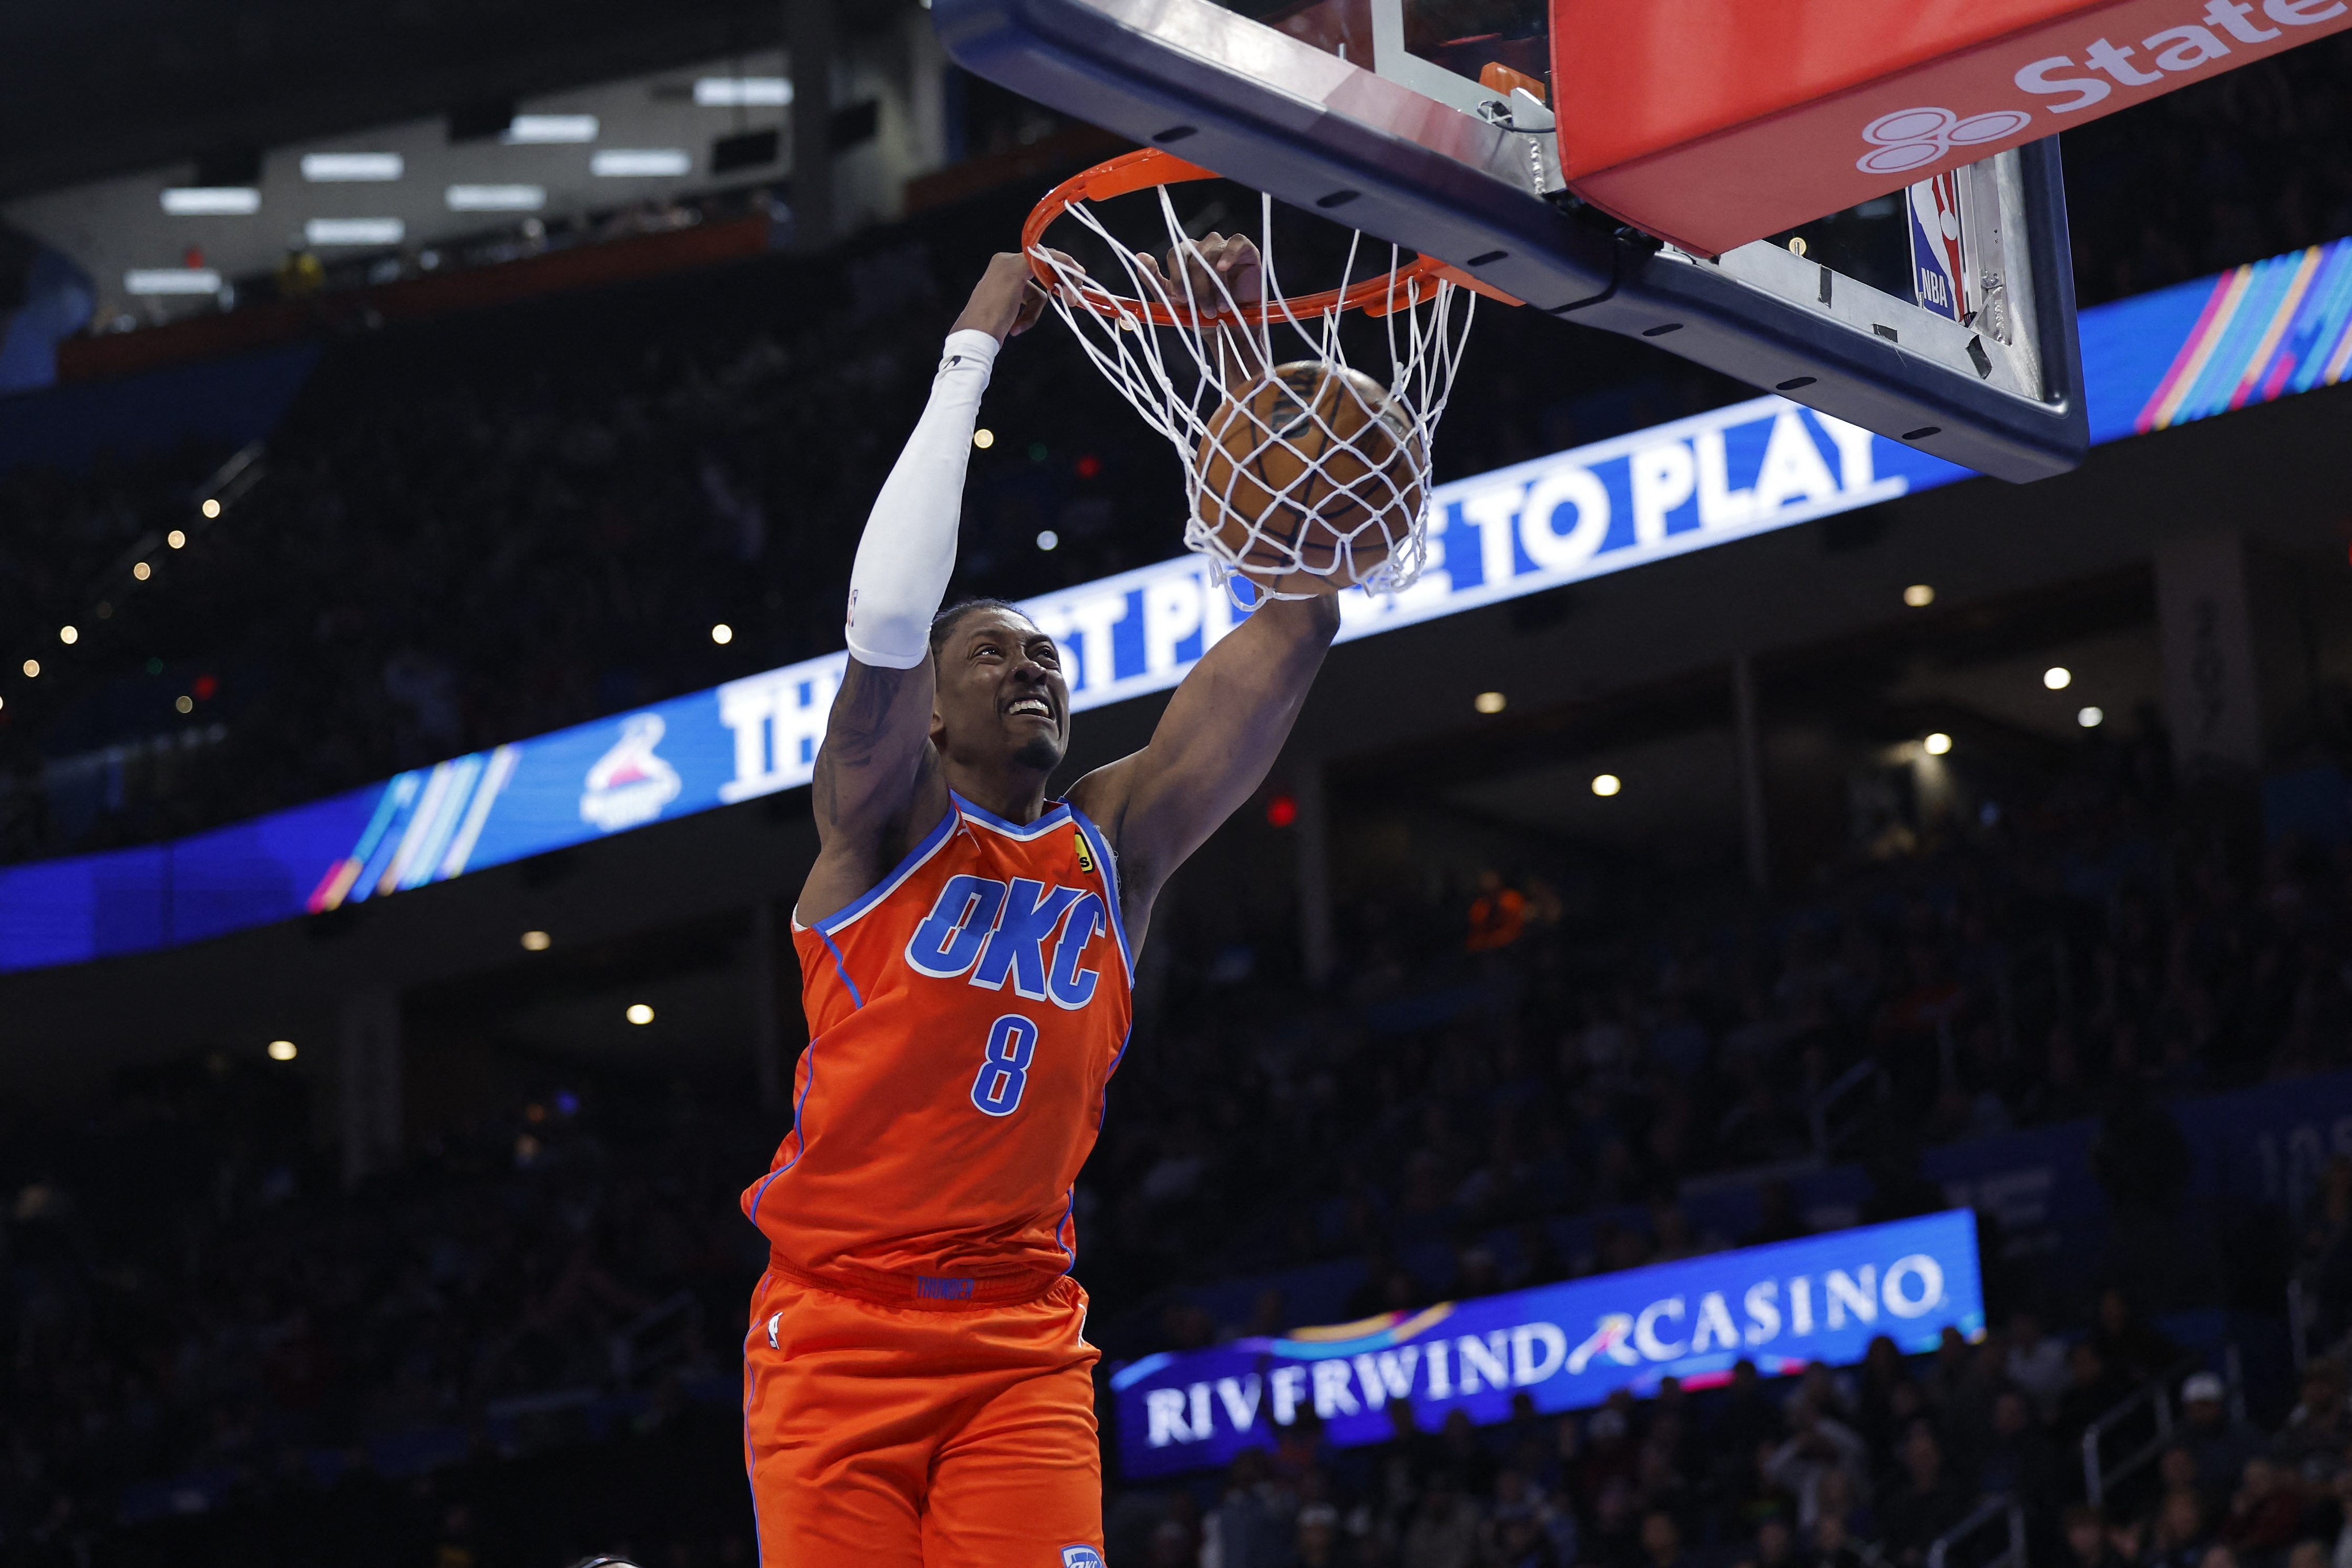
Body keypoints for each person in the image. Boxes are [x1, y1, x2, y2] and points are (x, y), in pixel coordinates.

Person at [740, 243, 1343, 1568]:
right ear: (934, 712)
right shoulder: (877, 825)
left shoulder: (1114, 844)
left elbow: (1295, 625)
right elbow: (885, 617)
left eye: (1048, 655)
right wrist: (968, 352)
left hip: (1019, 1337)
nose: (1033, 667)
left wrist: (1238, 363)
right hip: (839, 1329)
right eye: (994, 653)